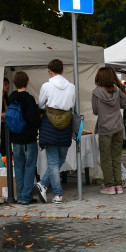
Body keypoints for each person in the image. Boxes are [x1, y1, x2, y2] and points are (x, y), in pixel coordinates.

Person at [36, 58, 75, 205]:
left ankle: (53, 191)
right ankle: (46, 186)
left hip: (50, 124)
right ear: (63, 70)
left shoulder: (46, 86)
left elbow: (41, 104)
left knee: (53, 162)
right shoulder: (71, 86)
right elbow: (73, 104)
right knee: (61, 159)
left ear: (50, 71)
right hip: (66, 123)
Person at [92, 67, 126, 194]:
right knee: (116, 157)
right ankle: (118, 185)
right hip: (118, 127)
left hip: (104, 128)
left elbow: (95, 111)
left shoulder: (96, 92)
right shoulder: (117, 90)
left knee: (106, 158)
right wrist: (117, 104)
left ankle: (109, 186)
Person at [7, 70, 41, 205]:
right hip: (28, 138)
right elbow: (33, 119)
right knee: (29, 167)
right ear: (27, 82)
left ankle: (20, 195)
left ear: (15, 83)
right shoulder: (29, 98)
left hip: (15, 138)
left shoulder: (11, 98)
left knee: (18, 168)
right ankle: (26, 197)